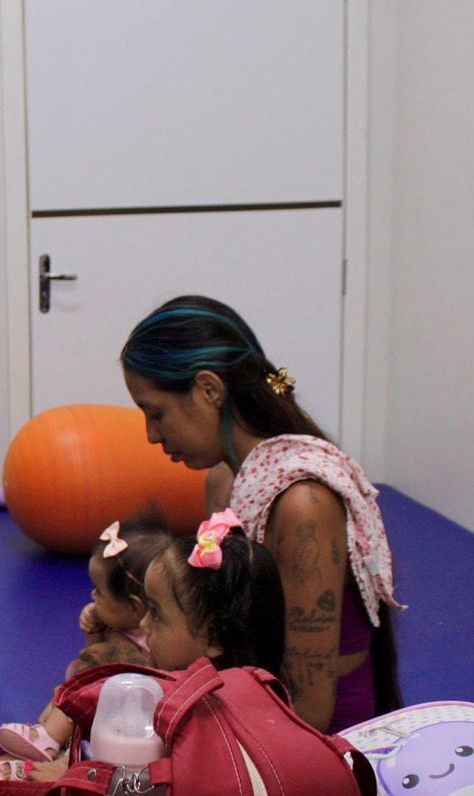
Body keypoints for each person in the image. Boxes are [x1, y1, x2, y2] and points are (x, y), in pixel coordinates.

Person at [119, 295, 403, 734]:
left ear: (209, 389)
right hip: (247, 710)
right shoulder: (222, 480)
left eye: (156, 413)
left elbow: (309, 709)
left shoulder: (304, 504)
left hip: (319, 742)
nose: (151, 435)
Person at [0, 511, 283, 796]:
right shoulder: (185, 682)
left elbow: (155, 790)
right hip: (97, 771)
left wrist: (74, 774)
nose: (143, 624)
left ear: (214, 637)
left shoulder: (205, 714)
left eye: (157, 613)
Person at [0, 516, 156, 765]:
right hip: (110, 704)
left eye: (99, 592)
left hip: (130, 714)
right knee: (73, 689)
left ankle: (48, 739)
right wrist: (96, 628)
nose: (92, 596)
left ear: (134, 608)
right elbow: (94, 656)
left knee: (81, 692)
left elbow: (105, 673)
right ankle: (56, 736)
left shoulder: (151, 643)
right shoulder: (125, 623)